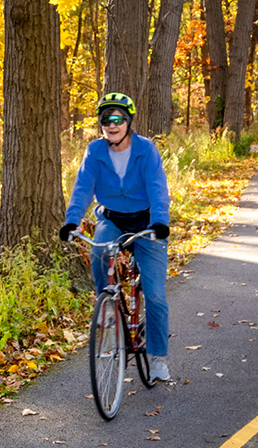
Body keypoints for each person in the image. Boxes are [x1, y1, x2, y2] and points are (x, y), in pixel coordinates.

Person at [58, 92, 173, 382]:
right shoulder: (95, 151)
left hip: (147, 222)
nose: (111, 125)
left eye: (118, 119)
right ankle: (107, 305)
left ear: (128, 122)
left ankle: (158, 358)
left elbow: (158, 188)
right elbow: (83, 187)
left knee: (156, 295)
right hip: (112, 218)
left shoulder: (145, 150)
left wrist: (160, 222)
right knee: (98, 251)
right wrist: (72, 221)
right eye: (106, 119)